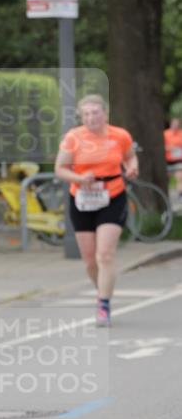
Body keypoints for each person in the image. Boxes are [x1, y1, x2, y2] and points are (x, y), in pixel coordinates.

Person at [54, 94, 138, 327]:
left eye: (96, 113)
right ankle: (102, 288)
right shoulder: (73, 138)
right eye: (87, 114)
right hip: (82, 199)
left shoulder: (119, 135)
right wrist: (79, 177)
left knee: (105, 255)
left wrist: (132, 169)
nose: (92, 118)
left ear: (105, 113)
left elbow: (131, 158)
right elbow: (60, 169)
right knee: (90, 260)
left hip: (112, 196)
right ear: (81, 116)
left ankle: (103, 304)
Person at [163, 116, 182, 202]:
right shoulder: (165, 134)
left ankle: (180, 195)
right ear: (171, 124)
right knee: (167, 179)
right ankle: (165, 196)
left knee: (180, 177)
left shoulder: (181, 133)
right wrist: (169, 148)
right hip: (168, 160)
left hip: (178, 160)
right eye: (174, 124)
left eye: (177, 124)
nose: (175, 126)